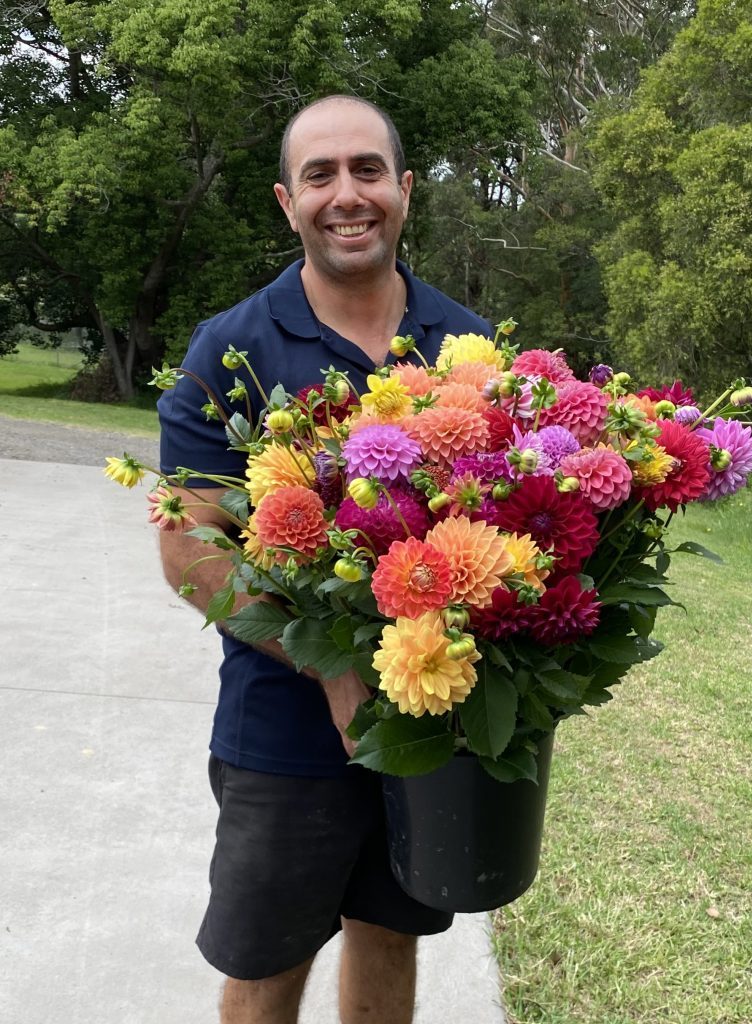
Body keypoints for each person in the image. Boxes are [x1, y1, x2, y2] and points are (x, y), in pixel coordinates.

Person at [157, 95, 491, 1024]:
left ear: (406, 189)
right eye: (321, 175)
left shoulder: (470, 349)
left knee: (391, 935)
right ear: (286, 200)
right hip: (282, 736)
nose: (348, 195)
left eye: (368, 171)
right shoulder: (230, 353)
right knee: (268, 964)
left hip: (433, 729)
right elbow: (188, 551)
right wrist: (334, 664)